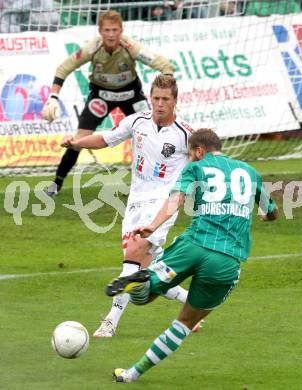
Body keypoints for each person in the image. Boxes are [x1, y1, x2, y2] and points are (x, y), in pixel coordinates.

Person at [104, 128, 279, 383]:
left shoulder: (196, 167)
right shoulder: (250, 172)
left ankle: (141, 281)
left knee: (146, 296)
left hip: (193, 246)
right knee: (185, 323)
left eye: (190, 154)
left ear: (199, 151)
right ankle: (132, 374)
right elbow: (272, 211)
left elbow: (176, 198)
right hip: (227, 260)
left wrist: (153, 225)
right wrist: (266, 215)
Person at [60, 74, 201, 337]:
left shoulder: (185, 134)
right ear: (150, 97)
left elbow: (203, 163)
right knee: (144, 268)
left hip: (163, 203)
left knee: (132, 258)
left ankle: (111, 321)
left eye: (165, 99)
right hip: (136, 199)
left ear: (175, 100)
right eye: (156, 98)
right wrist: (77, 143)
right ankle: (190, 302)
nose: (159, 104)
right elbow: (106, 138)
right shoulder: (137, 122)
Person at [43, 10, 175, 196]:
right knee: (79, 139)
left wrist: (167, 88)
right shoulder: (92, 48)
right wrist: (53, 97)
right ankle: (56, 185)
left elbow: (165, 65)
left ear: (121, 31)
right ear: (100, 31)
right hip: (101, 97)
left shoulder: (130, 46)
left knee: (152, 135)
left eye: (115, 30)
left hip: (131, 95)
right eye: (107, 30)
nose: (111, 34)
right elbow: (63, 68)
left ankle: (154, 185)